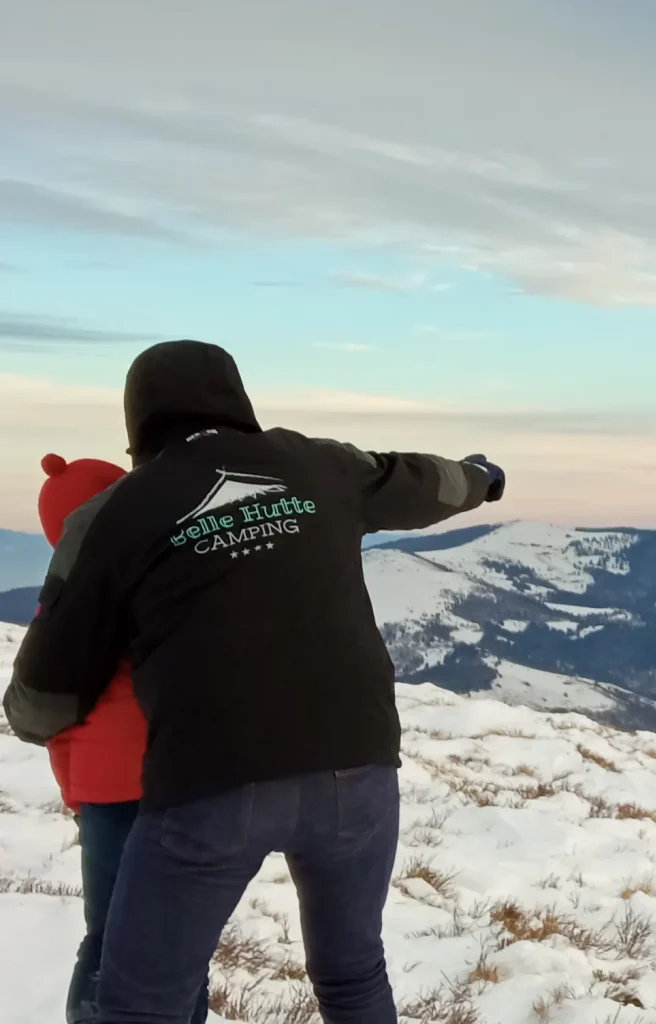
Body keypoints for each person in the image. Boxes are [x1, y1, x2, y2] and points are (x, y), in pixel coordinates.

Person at [4, 340, 506, 1024]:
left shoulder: (115, 512)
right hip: (357, 772)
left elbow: (48, 687)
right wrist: (482, 478)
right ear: (237, 403)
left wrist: (33, 719)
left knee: (138, 1005)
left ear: (138, 426)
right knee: (353, 975)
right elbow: (424, 480)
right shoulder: (321, 462)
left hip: (211, 785)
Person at [30, 452, 209, 1024]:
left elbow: (55, 719)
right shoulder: (165, 584)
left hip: (104, 796)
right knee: (181, 932)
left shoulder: (57, 606)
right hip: (175, 782)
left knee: (107, 932)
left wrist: (76, 791)